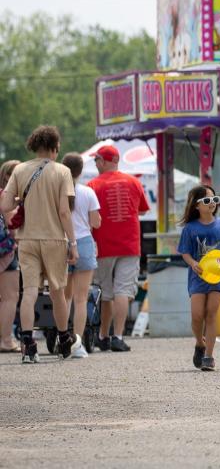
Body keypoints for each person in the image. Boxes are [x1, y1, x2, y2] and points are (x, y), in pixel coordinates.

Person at [0, 126, 78, 362]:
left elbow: (5, 206)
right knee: (57, 292)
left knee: (30, 292)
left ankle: (27, 344)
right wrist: (72, 242)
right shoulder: (62, 171)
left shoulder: (20, 170)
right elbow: (65, 212)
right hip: (54, 238)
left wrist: (21, 198)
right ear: (54, 148)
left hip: (27, 239)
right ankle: (64, 338)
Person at [88, 144, 149, 352]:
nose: (96, 164)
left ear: (104, 161)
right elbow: (141, 210)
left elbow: (90, 217)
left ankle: (103, 336)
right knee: (123, 290)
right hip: (130, 244)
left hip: (103, 244)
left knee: (106, 292)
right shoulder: (134, 182)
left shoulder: (93, 185)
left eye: (97, 161)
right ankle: (118, 336)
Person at [178, 185, 220, 371]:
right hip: (198, 276)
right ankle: (199, 343)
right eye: (206, 200)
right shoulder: (190, 228)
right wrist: (193, 263)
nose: (211, 203)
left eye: (214, 199)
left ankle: (209, 357)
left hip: (218, 276)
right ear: (196, 205)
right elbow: (185, 252)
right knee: (197, 316)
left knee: (211, 313)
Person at [61, 153, 101, 359]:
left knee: (63, 296)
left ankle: (63, 340)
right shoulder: (88, 192)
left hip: (62, 243)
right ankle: (77, 343)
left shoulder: (57, 191)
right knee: (81, 298)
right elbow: (96, 222)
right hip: (84, 242)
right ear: (80, 171)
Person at [0, 159, 22, 353]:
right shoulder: (6, 197)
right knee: (9, 297)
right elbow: (13, 227)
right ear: (9, 176)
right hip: (5, 251)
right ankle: (6, 340)